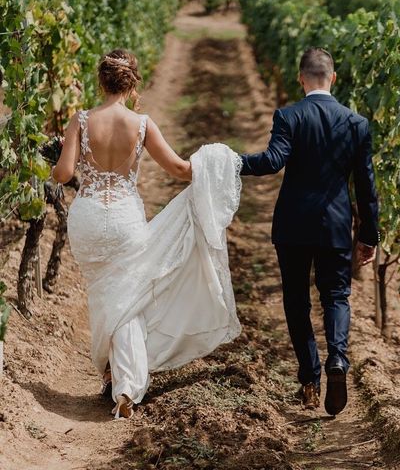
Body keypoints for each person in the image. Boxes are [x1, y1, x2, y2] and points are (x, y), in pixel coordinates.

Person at [52, 49, 242, 418]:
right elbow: (179, 169)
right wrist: (216, 161)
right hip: (124, 218)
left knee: (104, 296)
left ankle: (111, 375)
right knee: (129, 297)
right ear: (132, 83)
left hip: (89, 216)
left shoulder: (81, 120)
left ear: (100, 81)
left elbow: (63, 175)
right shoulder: (141, 125)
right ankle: (126, 385)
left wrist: (59, 152)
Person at [240, 47, 379, 415]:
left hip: (293, 226)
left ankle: (310, 380)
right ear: (333, 78)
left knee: (297, 302)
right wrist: (369, 236)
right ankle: (337, 359)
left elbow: (271, 162)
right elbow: (366, 187)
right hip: (335, 224)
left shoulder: (289, 115)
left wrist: (231, 161)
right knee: (336, 296)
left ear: (301, 78)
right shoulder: (356, 124)